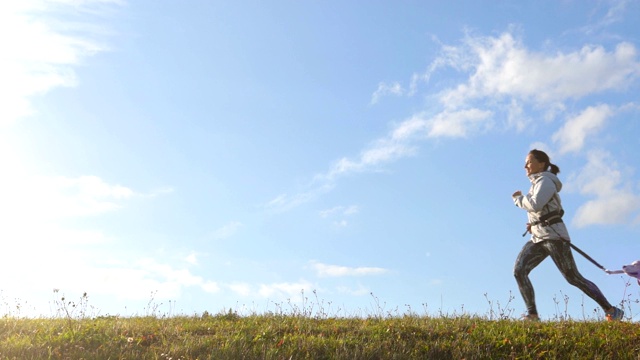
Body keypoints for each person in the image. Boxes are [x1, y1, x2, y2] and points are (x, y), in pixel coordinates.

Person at [511, 149, 623, 321]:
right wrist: (533, 224)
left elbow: (535, 204)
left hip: (554, 236)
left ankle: (611, 310)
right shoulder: (537, 183)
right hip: (539, 237)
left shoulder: (546, 181)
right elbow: (540, 210)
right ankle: (532, 314)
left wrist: (519, 199)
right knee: (519, 270)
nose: (525, 165)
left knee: (573, 278)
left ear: (541, 164)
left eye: (529, 161)